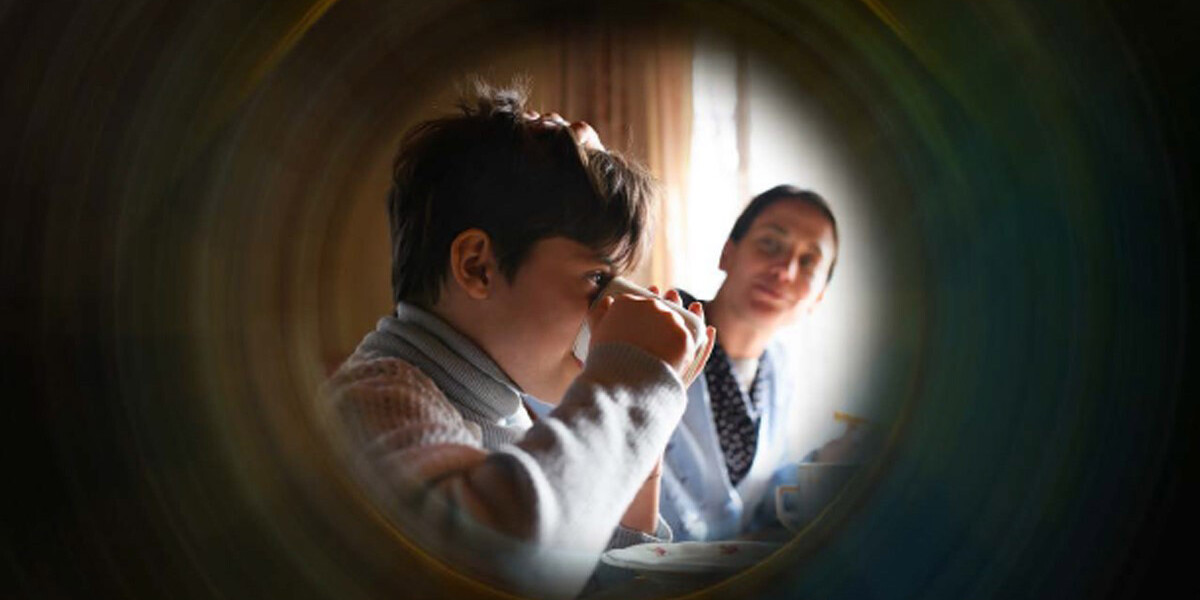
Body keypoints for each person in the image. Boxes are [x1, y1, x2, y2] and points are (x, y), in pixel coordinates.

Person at [321, 82, 713, 598]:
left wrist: (643, 444)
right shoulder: (376, 399)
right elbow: (503, 564)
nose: (612, 306)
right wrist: (633, 385)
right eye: (597, 280)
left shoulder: (510, 409)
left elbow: (593, 574)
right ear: (478, 266)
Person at [661, 185, 857, 541]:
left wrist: (830, 458)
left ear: (818, 298)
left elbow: (758, 499)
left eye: (809, 261)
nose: (784, 271)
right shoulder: (654, 330)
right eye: (770, 243)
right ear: (727, 253)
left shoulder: (778, 369)